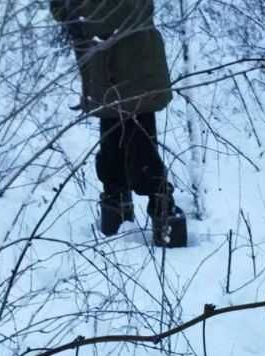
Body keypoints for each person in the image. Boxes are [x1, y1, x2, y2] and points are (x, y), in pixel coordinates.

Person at [51, 0, 188, 248]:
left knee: (133, 130)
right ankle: (141, 208)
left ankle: (136, 208)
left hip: (129, 53)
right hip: (112, 55)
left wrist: (77, 20)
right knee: (121, 128)